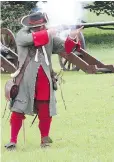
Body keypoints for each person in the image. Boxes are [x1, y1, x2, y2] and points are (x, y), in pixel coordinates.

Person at [5, 11, 81, 150]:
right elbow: (33, 39)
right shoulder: (22, 34)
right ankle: (12, 141)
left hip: (44, 80)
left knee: (45, 111)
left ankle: (44, 140)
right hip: (25, 80)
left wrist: (72, 35)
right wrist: (50, 32)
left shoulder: (49, 36)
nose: (40, 28)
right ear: (30, 26)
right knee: (18, 110)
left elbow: (67, 48)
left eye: (42, 26)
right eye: (37, 27)